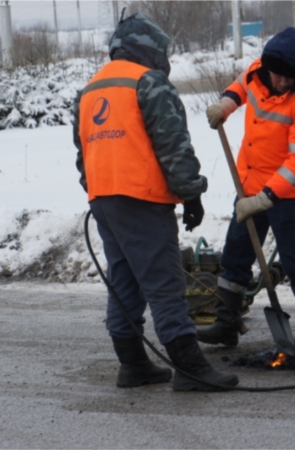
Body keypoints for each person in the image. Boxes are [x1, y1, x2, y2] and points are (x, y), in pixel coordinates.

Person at [72, 12, 238, 391]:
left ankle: (133, 366)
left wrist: (101, 190)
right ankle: (191, 369)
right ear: (148, 49)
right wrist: (192, 192)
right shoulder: (148, 82)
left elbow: (82, 154)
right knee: (165, 284)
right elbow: (173, 147)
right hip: (142, 201)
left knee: (125, 281)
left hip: (104, 200)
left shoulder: (90, 90)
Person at [197, 27, 295, 350]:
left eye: (289, 78)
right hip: (249, 183)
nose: (281, 82)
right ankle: (226, 323)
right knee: (236, 252)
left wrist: (265, 199)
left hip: (287, 193)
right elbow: (241, 86)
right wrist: (226, 104)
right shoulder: (259, 71)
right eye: (278, 76)